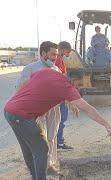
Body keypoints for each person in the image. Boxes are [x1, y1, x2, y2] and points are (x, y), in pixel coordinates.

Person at [4, 68, 111, 180]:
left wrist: (17, 100)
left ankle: (35, 177)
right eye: (78, 85)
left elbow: (27, 82)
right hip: (22, 116)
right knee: (42, 149)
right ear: (72, 79)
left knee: (28, 149)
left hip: (9, 111)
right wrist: (106, 124)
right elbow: (87, 108)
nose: (78, 89)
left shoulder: (48, 72)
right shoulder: (66, 87)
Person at [15, 41, 62, 173]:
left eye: (56, 55)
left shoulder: (56, 69)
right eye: (52, 54)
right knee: (41, 139)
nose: (55, 57)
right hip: (37, 111)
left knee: (52, 137)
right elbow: (20, 89)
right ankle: (40, 167)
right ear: (43, 53)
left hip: (53, 110)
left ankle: (51, 164)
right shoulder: (30, 69)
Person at [54, 41, 75, 150]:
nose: (68, 54)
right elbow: (60, 78)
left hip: (60, 94)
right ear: (62, 49)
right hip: (60, 95)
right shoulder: (57, 60)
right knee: (61, 119)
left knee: (60, 119)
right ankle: (59, 143)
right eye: (68, 52)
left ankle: (57, 142)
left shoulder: (59, 60)